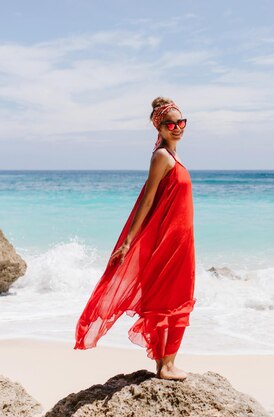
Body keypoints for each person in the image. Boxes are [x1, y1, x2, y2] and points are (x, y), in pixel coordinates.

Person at [74, 97, 196, 381]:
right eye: (170, 124)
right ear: (159, 128)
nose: (177, 128)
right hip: (167, 242)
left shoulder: (174, 157)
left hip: (182, 242)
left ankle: (167, 363)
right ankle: (166, 366)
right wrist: (128, 241)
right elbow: (147, 199)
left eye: (181, 122)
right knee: (171, 298)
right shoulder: (162, 157)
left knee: (178, 297)